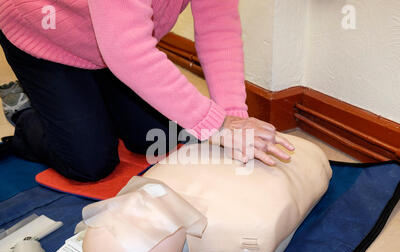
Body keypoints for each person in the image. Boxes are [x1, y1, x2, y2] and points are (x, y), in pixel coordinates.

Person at [0, 0, 294, 182]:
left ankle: (94, 93)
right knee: (90, 164)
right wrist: (218, 124)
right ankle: (25, 111)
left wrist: (233, 119)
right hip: (45, 31)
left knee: (160, 138)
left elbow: (219, 30)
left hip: (112, 43)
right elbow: (127, 51)